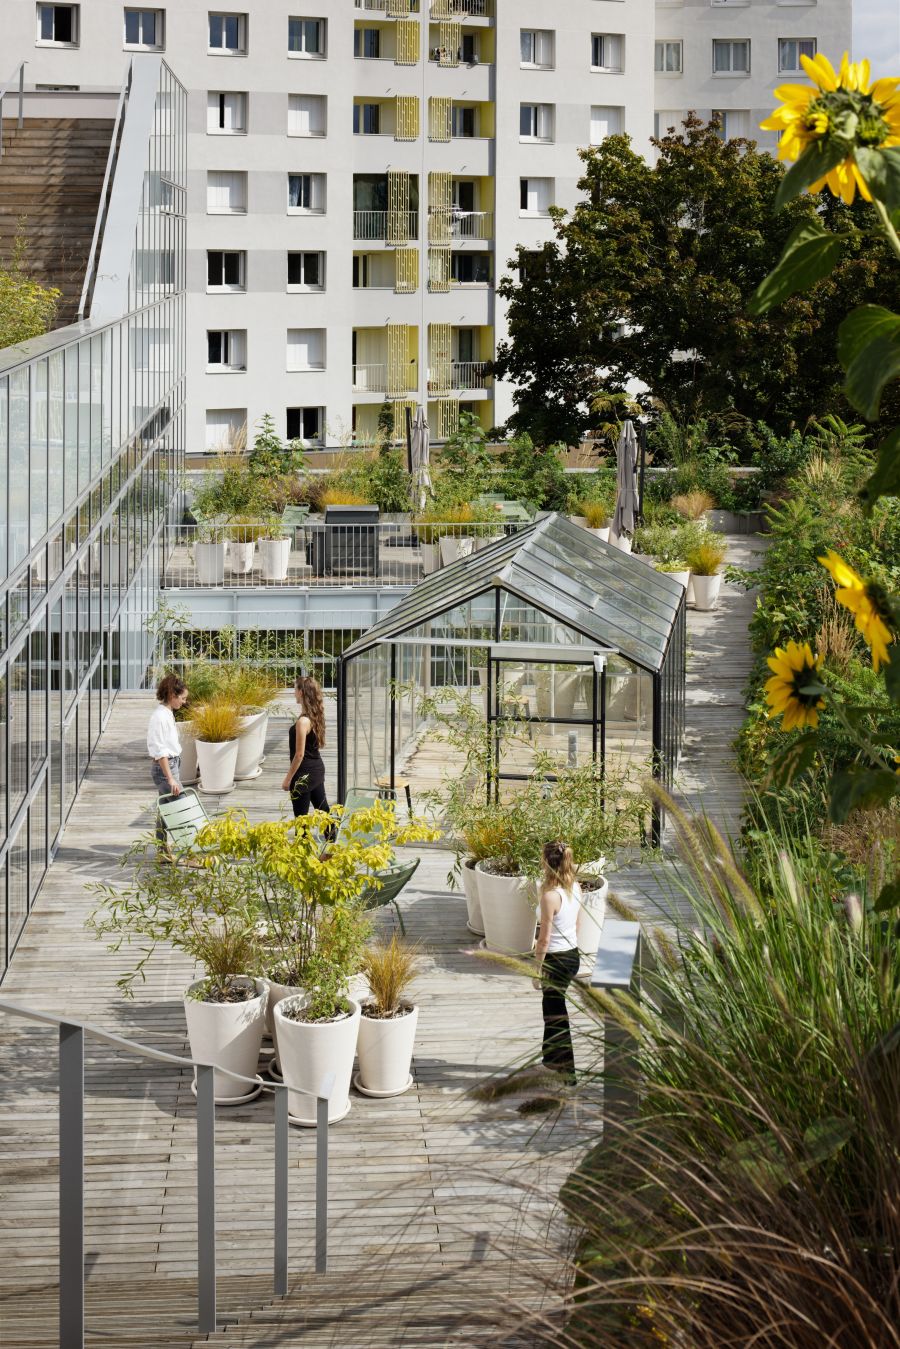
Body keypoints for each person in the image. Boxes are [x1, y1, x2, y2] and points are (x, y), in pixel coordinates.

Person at [532, 840, 582, 1084]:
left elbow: (543, 939)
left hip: (556, 960)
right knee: (551, 1011)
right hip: (572, 956)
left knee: (556, 1015)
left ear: (546, 863)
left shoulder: (550, 896)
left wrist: (536, 968)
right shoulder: (575, 888)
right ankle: (551, 1062)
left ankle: (568, 1072)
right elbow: (578, 925)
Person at [147, 673, 189, 856]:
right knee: (183, 809)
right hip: (165, 770)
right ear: (172, 695)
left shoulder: (167, 713)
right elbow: (160, 751)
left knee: (164, 809)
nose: (184, 702)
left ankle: (162, 851)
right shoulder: (159, 717)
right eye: (182, 698)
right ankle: (191, 853)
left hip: (171, 766)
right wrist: (170, 779)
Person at [282, 674, 329, 817]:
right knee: (324, 813)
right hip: (316, 771)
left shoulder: (303, 721)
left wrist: (288, 779)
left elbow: (299, 754)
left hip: (303, 776)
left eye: (295, 689)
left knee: (301, 821)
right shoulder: (314, 716)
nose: (293, 692)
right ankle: (333, 839)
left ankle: (305, 840)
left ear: (301, 692)